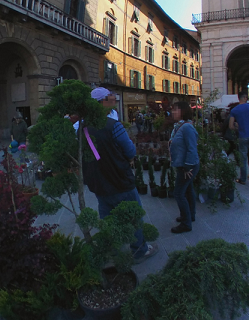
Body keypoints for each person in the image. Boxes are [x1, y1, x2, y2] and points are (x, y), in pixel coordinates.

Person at [82, 87, 158, 263]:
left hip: (98, 183)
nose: (114, 101)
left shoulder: (83, 128)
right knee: (134, 215)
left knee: (106, 216)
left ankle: (111, 248)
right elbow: (130, 151)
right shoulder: (113, 126)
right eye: (111, 98)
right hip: (119, 179)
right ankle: (140, 250)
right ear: (102, 102)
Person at [169, 102, 200, 234]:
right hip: (184, 165)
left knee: (179, 193)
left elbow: (192, 149)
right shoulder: (180, 126)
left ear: (183, 111)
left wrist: (188, 167)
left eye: (175, 110)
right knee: (188, 190)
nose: (173, 112)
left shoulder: (186, 128)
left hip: (187, 166)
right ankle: (189, 215)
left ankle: (186, 223)